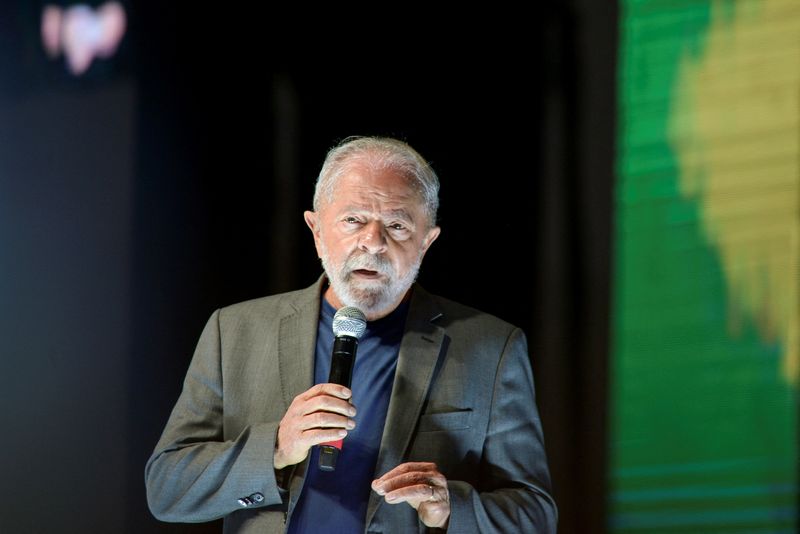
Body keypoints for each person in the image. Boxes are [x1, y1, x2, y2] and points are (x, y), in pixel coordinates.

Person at [145, 136, 557, 533]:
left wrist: (451, 509)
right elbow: (167, 490)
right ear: (316, 229)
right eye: (353, 220)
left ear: (426, 242)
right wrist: (275, 448)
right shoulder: (234, 331)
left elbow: (534, 515)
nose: (372, 242)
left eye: (397, 225)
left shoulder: (492, 347)